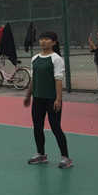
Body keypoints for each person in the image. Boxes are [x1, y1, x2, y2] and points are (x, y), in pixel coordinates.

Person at [24, 31, 73, 169]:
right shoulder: (35, 58)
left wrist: (58, 99)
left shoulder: (56, 59)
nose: (43, 41)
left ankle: (66, 158)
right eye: (41, 39)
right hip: (37, 99)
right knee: (37, 127)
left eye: (47, 39)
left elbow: (58, 80)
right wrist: (28, 96)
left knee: (56, 127)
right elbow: (33, 79)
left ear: (54, 42)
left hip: (52, 99)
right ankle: (41, 154)